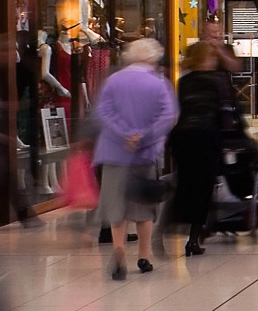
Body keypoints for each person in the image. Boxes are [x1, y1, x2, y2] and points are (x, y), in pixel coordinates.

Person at [91, 39, 176, 279]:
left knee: (117, 207)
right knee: (143, 206)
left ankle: (119, 251)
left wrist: (123, 134)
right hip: (144, 154)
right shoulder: (159, 83)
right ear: (153, 59)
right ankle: (144, 256)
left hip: (114, 152)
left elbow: (103, 112)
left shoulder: (113, 81)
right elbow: (168, 116)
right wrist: (143, 137)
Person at [165, 21, 241, 256]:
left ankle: (175, 219)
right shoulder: (216, 81)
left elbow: (179, 107)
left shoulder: (184, 81)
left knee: (187, 181)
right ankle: (196, 234)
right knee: (204, 184)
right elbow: (227, 111)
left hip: (182, 136)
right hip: (206, 136)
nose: (215, 37)